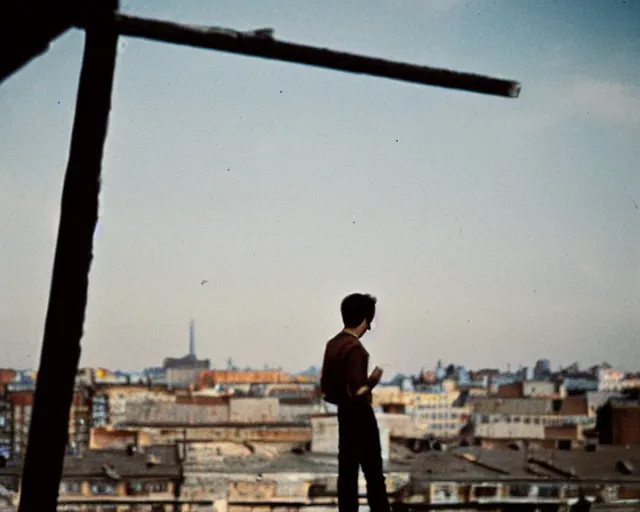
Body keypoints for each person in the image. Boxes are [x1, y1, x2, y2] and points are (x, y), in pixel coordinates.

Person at [320, 293, 389, 512]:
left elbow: (327, 391)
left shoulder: (332, 345)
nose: (369, 327)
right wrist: (373, 381)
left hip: (344, 415)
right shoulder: (356, 350)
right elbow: (358, 392)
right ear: (364, 320)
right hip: (361, 416)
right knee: (373, 474)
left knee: (347, 473)